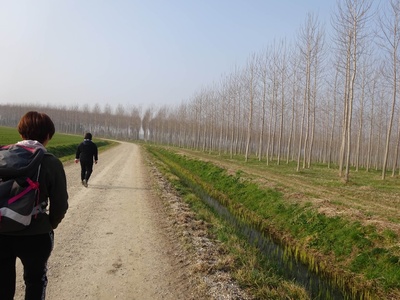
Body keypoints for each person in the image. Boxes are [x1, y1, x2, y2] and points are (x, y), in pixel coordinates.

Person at [0, 111, 69, 300]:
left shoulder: (3, 156)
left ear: (21, 133)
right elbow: (60, 204)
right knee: (35, 281)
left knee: (2, 284)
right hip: (36, 233)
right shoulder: (50, 162)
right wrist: (50, 224)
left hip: (1, 231)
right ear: (47, 136)